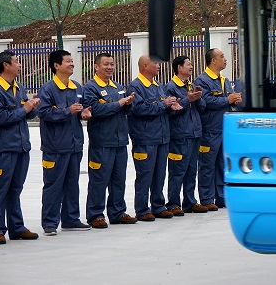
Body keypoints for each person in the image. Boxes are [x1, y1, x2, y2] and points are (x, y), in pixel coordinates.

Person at [38, 49, 92, 235]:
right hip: (55, 147)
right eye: (68, 61)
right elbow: (43, 113)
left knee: (72, 184)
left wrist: (83, 113)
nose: (72, 64)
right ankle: (49, 222)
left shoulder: (77, 87)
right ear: (56, 65)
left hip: (74, 145)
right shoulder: (47, 89)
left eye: (71, 61)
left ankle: (71, 219)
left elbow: (81, 109)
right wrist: (67, 111)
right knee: (53, 185)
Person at [81, 52, 137, 229]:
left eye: (112, 64)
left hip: (120, 141)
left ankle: (117, 212)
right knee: (99, 180)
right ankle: (95, 214)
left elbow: (125, 111)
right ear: (96, 67)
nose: (110, 67)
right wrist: (119, 104)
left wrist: (128, 104)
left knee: (118, 179)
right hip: (102, 142)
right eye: (106, 64)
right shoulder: (90, 88)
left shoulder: (118, 87)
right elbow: (96, 109)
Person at [129, 55, 182, 222]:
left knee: (160, 174)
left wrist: (171, 106)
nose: (159, 66)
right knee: (145, 175)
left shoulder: (158, 85)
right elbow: (139, 109)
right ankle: (142, 209)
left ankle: (158, 206)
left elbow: (162, 107)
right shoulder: (136, 86)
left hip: (161, 138)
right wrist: (162, 104)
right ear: (145, 66)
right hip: (145, 138)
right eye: (155, 63)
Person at [0, 50, 41, 244]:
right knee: (1, 189)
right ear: (6, 65)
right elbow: (1, 117)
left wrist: (33, 107)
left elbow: (25, 114)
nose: (20, 65)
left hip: (21, 147)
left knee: (15, 188)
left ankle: (16, 227)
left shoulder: (18, 87)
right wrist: (24, 109)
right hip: (4, 148)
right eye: (16, 62)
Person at [194, 48, 242, 210]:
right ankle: (207, 198)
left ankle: (221, 197)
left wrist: (235, 99)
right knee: (207, 165)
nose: (225, 59)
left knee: (222, 164)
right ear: (213, 61)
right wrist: (227, 100)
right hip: (209, 130)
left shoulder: (224, 80)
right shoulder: (202, 80)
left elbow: (227, 99)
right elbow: (206, 102)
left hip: (224, 129)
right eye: (222, 56)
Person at [165, 56, 208, 215]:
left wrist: (198, 97)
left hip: (194, 134)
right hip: (180, 135)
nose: (191, 67)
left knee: (191, 170)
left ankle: (190, 201)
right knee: (177, 170)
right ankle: (173, 203)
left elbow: (202, 108)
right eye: (188, 64)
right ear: (179, 68)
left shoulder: (191, 85)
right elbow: (170, 111)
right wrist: (186, 100)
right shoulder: (171, 87)